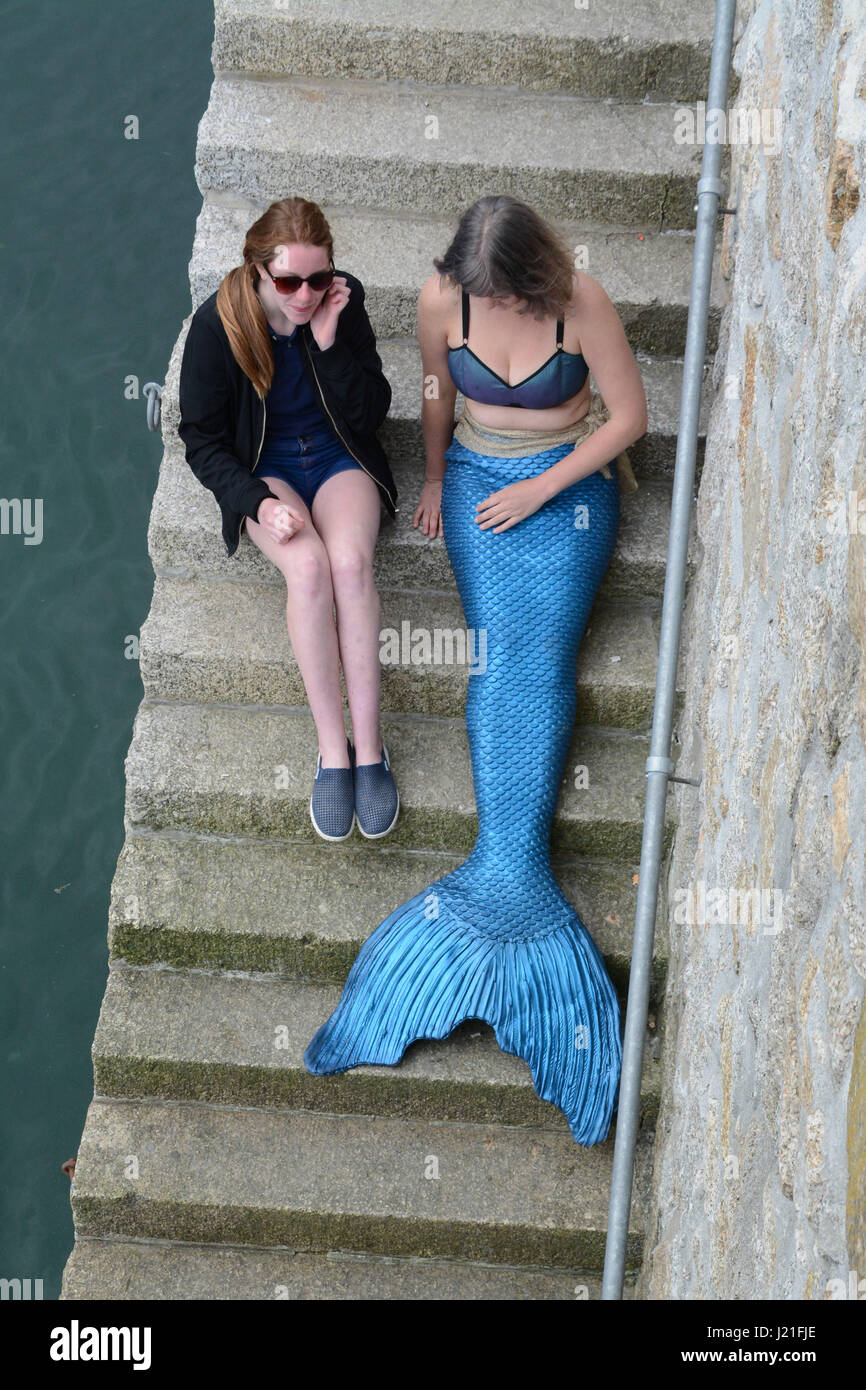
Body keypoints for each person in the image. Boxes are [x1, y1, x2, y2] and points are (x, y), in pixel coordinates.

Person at [304, 195, 647, 1147]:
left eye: (502, 288)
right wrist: (439, 479)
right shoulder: (437, 299)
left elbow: (628, 417)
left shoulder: (582, 300)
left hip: (564, 486)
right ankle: (503, 885)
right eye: (476, 287)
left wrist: (542, 484)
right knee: (497, 653)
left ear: (537, 272)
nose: (485, 300)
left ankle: (514, 881)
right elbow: (434, 396)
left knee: (538, 656)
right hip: (478, 487)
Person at [177, 197, 400, 843]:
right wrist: (256, 502)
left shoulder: (339, 303)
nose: (306, 295)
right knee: (307, 570)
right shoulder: (220, 326)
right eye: (289, 281)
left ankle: (371, 750)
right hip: (267, 468)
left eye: (319, 277)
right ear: (257, 271)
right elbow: (201, 438)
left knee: (351, 564)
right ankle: (333, 751)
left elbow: (372, 413)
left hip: (338, 459)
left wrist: (329, 346)